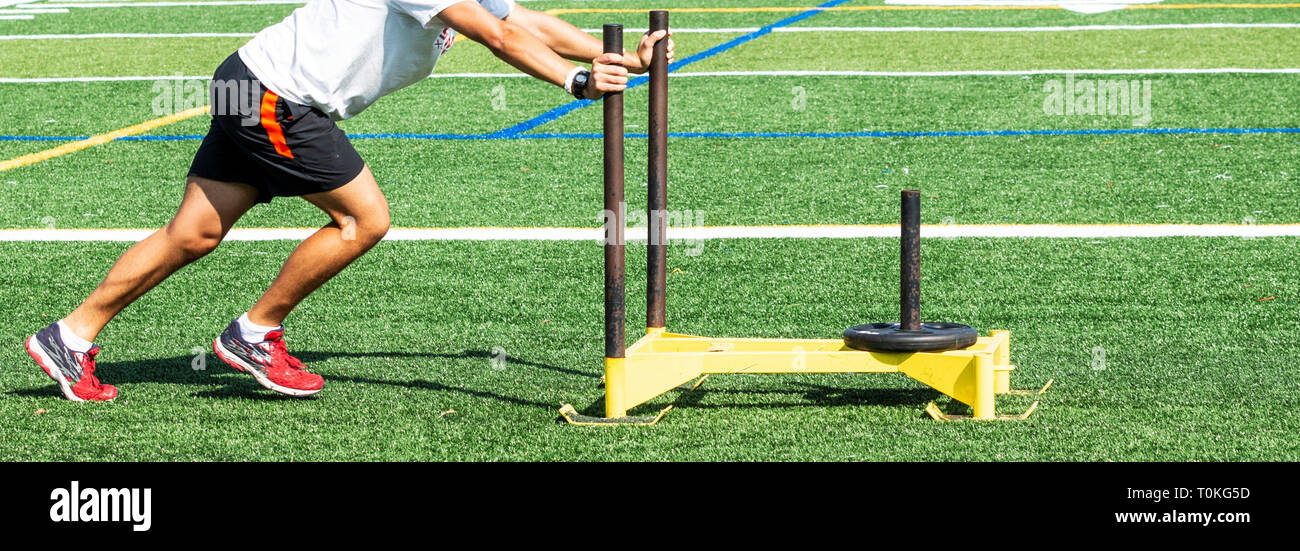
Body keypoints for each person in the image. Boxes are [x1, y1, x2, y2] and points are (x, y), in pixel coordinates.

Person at [23, 0, 674, 401]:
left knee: (192, 233)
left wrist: (621, 57)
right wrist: (576, 79)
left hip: (251, 82)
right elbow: (497, 37)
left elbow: (521, 19)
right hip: (274, 97)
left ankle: (68, 336)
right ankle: (253, 334)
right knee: (364, 218)